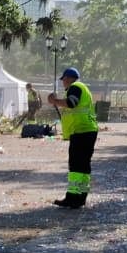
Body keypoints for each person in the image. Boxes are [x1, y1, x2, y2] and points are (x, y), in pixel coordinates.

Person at [45, 67, 98, 209]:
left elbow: (71, 103)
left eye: (64, 80)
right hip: (86, 131)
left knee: (75, 165)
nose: (63, 83)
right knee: (83, 166)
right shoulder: (80, 88)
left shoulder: (75, 87)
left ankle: (72, 198)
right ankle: (81, 196)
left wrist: (54, 101)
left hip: (81, 132)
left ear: (68, 78)